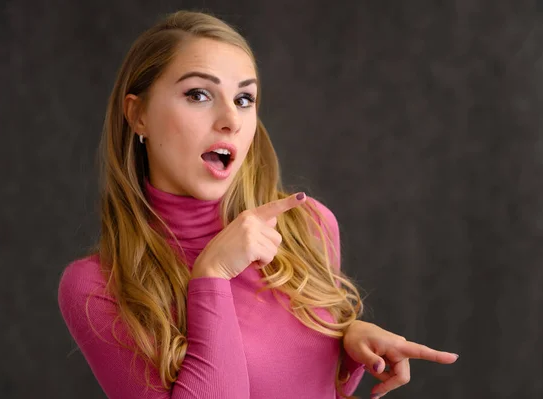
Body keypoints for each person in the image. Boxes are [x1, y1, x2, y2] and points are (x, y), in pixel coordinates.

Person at [57, 10, 459, 399]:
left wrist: (348, 348)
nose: (231, 119)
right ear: (138, 114)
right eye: (199, 94)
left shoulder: (306, 226)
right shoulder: (96, 288)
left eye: (245, 98)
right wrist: (212, 276)